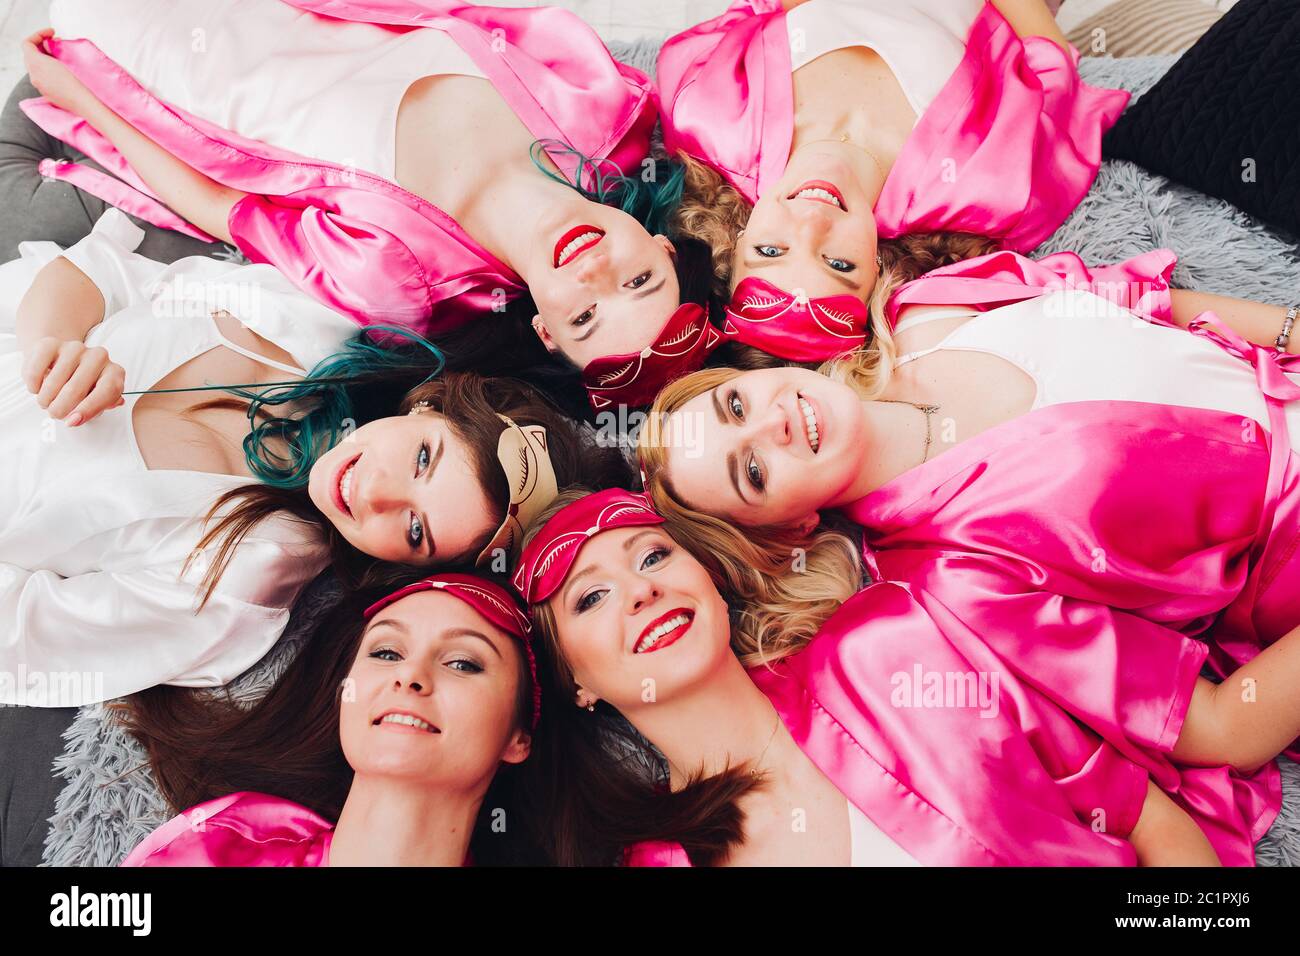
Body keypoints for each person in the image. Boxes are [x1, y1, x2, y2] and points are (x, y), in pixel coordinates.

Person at [2, 208, 628, 707]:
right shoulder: (306, 322)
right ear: (427, 407)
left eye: (414, 529)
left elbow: (20, 641)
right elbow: (99, 270)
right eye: (422, 461)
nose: (376, 495)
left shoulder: (241, 570)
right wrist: (54, 347)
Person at [511, 488, 1279, 866]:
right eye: (590, 597)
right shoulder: (657, 860)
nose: (641, 590)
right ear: (576, 682)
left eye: (652, 556)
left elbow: (1141, 817)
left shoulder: (889, 648)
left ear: (710, 578)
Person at [18, 0, 707, 373]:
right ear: (664, 250)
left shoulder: (401, 280)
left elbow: (223, 208)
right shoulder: (602, 113)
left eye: (584, 317)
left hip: (169, 45)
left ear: (547, 332)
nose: (594, 276)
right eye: (639, 281)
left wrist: (86, 100)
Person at [656, 0, 1127, 364]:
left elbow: (759, 13)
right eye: (839, 263)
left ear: (735, 243)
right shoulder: (987, 191)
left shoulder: (708, 114)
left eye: (770, 251)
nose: (810, 222)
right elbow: (1050, 66)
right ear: (879, 272)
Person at [120, 571, 541, 866]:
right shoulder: (219, 846)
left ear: (518, 737)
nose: (409, 675)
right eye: (386, 653)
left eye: (463, 663)